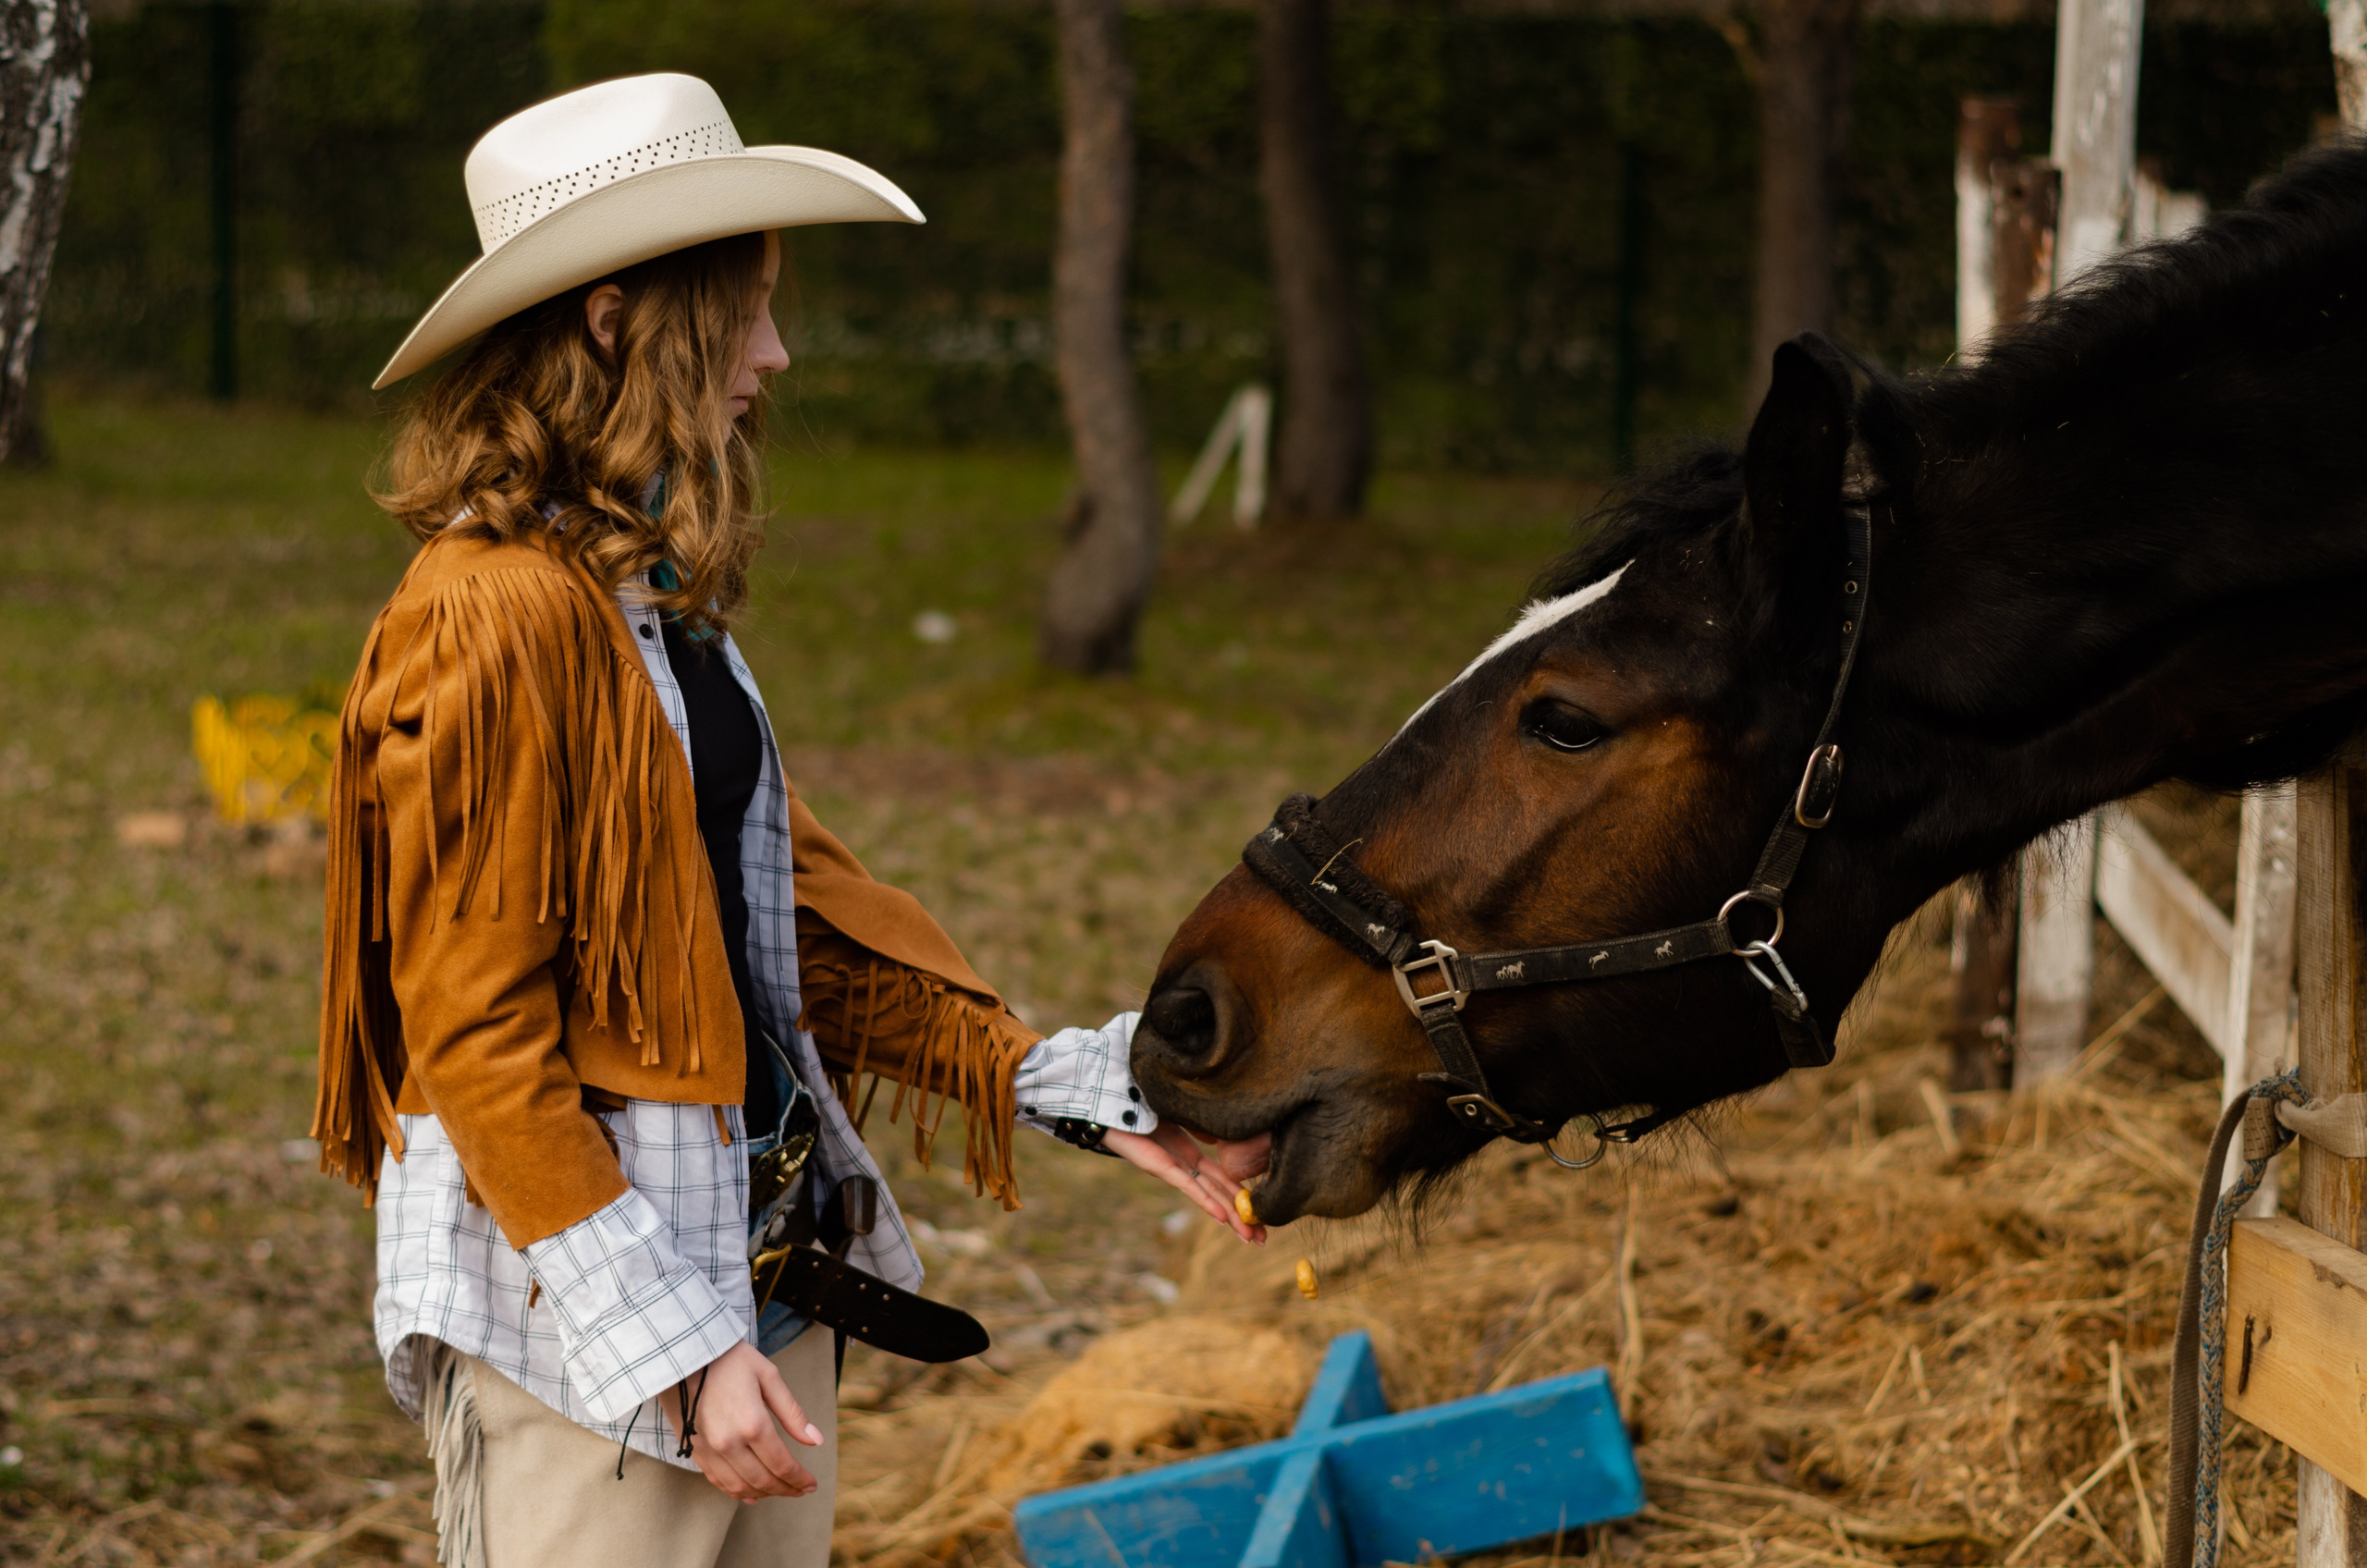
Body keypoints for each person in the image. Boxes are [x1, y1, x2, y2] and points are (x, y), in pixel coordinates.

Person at [310, 72, 1262, 1568]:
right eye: (740, 314)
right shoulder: (492, 618)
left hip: (761, 1286)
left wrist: (1087, 1091)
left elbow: (776, 942)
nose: (774, 353)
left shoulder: (642, 608)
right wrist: (679, 1353)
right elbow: (474, 1044)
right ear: (617, 323)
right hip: (595, 1353)